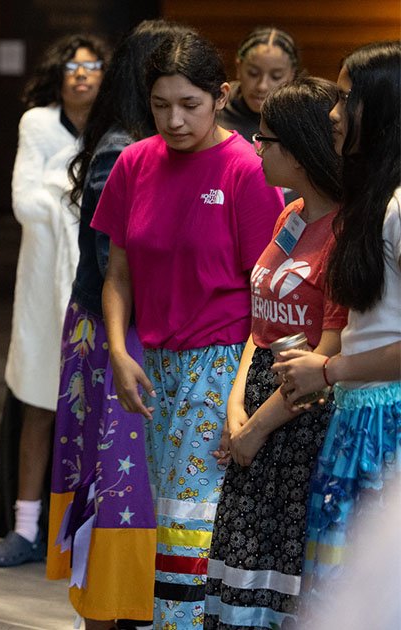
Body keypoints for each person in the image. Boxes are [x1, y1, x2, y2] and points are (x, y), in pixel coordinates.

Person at [91, 31, 283, 630]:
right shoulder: (133, 162)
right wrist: (120, 351)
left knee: (194, 516)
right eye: (160, 105)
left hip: (224, 359)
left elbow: (267, 291)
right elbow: (116, 273)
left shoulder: (246, 168)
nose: (174, 120)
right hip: (155, 362)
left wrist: (243, 387)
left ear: (221, 95)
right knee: (169, 509)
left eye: (189, 105)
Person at [44, 20, 192, 630]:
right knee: (116, 485)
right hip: (116, 332)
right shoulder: (121, 148)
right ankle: (107, 611)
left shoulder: (156, 144)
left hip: (133, 330)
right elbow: (116, 267)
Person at [204, 77, 346, 629]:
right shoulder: (290, 216)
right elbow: (259, 326)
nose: (256, 148)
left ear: (302, 149)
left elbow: (327, 356)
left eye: (266, 139)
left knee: (279, 588)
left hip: (302, 423)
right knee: (236, 580)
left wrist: (257, 429)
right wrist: (236, 408)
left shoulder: (347, 232)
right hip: (257, 409)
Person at [272, 40, 401, 604]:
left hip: (388, 416)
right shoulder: (372, 200)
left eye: (346, 98)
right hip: (359, 409)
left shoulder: (397, 206)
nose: (332, 112)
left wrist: (327, 369)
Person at [0, 33, 109, 568]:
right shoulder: (37, 122)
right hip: (40, 282)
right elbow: (25, 203)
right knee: (38, 402)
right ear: (58, 74)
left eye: (93, 66)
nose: (81, 75)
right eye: (72, 67)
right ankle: (26, 527)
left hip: (99, 277)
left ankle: (91, 529)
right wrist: (74, 198)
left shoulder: (118, 127)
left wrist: (61, 193)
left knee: (103, 408)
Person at [216, 27, 300, 142]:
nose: (262, 86)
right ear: (238, 68)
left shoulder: (301, 117)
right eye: (253, 73)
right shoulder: (216, 106)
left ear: (292, 74)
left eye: (276, 76)